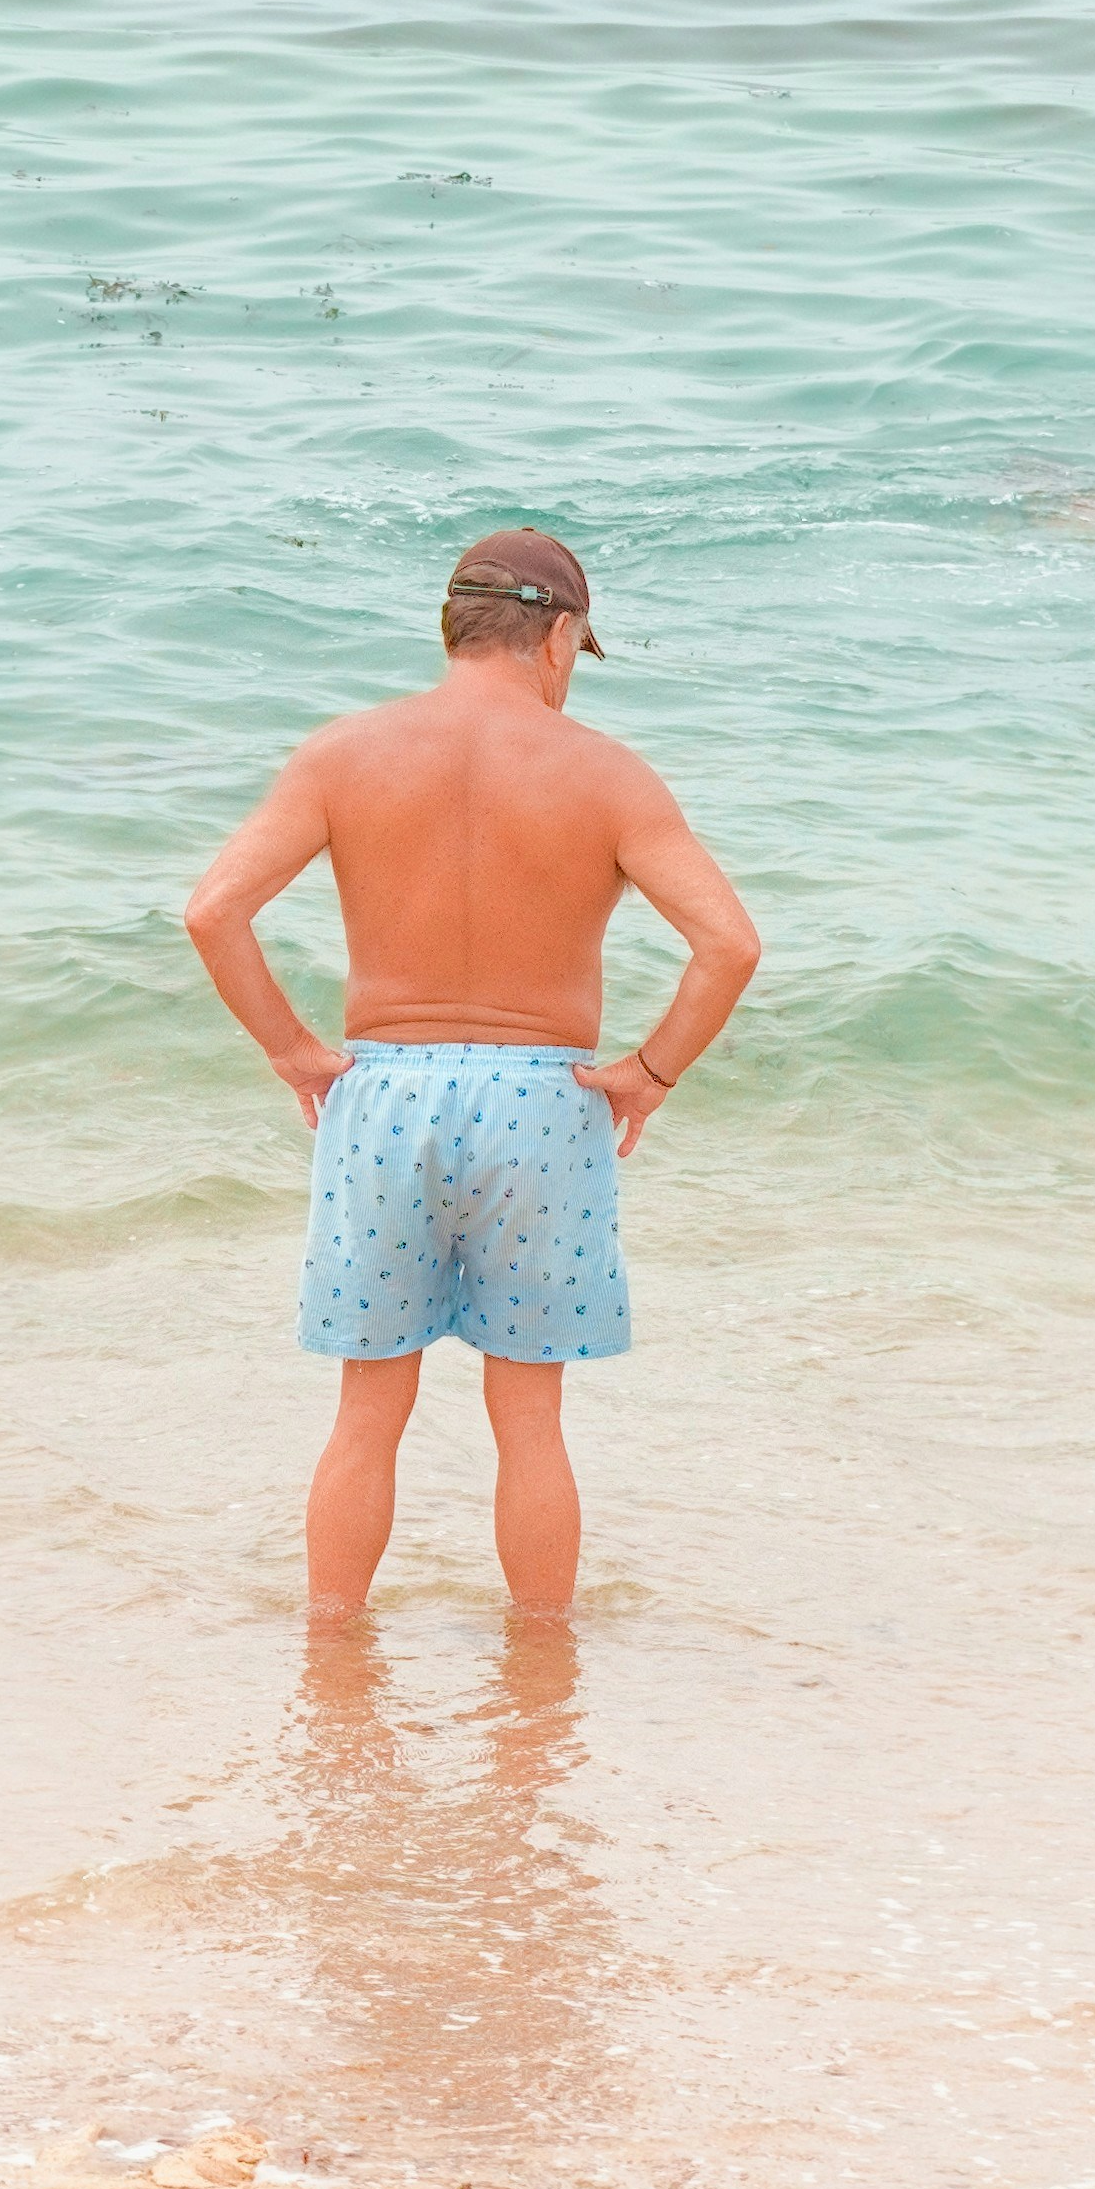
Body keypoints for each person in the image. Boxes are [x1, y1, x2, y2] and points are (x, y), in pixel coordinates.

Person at [179, 528, 759, 1620]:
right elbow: (729, 944)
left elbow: (212, 911)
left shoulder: (344, 754)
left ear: (453, 625)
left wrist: (292, 1050)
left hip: (382, 1095)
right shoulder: (607, 774)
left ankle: (331, 1645)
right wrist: (648, 1072)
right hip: (543, 1104)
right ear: (561, 636)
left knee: (366, 1411)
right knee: (529, 1417)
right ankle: (541, 1659)